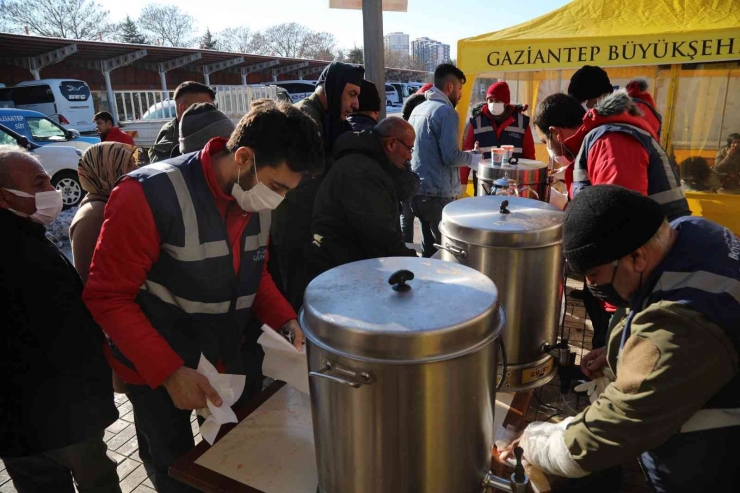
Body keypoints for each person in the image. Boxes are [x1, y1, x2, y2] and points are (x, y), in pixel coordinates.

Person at [83, 101, 324, 493]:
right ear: (243, 157)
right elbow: (107, 297)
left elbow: (253, 270)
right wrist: (169, 373)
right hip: (155, 368)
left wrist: (285, 318)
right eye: (278, 187)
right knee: (175, 468)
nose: (278, 199)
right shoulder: (147, 194)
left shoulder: (253, 194)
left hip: (220, 355)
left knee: (230, 460)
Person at [502, 184, 740, 493]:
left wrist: (537, 445)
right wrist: (617, 350)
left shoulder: (685, 324)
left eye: (594, 276)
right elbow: (647, 301)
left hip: (713, 464)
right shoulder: (684, 233)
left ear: (637, 257)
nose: (593, 288)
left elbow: (618, 425)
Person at [0, 146, 121, 493]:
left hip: (23, 425)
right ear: (4, 196)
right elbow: (65, 335)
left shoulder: (26, 235)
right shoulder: (21, 253)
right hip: (62, 420)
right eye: (39, 182)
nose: (50, 190)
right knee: (98, 482)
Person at [270, 61, 364, 310]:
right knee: (296, 303)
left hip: (308, 228)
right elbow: (303, 182)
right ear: (332, 89)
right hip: (293, 231)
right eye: (351, 94)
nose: (356, 104)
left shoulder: (326, 118)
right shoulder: (304, 119)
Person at [533, 91, 689, 221]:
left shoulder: (610, 141)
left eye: (545, 141)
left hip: (658, 251)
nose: (548, 148)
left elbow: (616, 219)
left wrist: (563, 206)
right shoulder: (598, 141)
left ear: (555, 133)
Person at [306, 117, 419, 279]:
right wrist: (418, 267)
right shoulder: (362, 173)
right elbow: (381, 238)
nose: (409, 157)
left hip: (348, 263)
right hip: (337, 269)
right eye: (409, 149)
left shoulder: (371, 164)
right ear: (391, 144)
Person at [408, 63, 481, 258]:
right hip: (438, 194)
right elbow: (450, 157)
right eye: (459, 89)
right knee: (447, 254)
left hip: (417, 192)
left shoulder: (419, 109)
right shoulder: (446, 112)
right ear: (449, 87)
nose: (460, 95)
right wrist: (473, 159)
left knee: (428, 252)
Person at [71, 142, 138, 284]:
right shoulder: (93, 216)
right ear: (107, 170)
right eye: (129, 165)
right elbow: (92, 280)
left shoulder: (110, 202)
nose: (137, 169)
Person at [461, 81, 536, 195]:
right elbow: (467, 153)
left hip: (513, 183)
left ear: (506, 102)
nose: (493, 104)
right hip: (484, 182)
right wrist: (463, 181)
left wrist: (532, 181)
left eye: (497, 101)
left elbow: (529, 155)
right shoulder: (476, 122)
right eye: (490, 100)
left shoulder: (521, 122)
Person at [568, 65, 663, 137]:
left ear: (599, 95)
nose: (586, 108)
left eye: (585, 101)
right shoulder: (615, 114)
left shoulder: (633, 111)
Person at [148, 81, 216, 163]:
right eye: (204, 108)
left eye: (212, 108)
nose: (212, 113)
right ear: (183, 109)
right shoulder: (170, 138)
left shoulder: (213, 127)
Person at [399, 83, 432, 243]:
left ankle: (406, 248)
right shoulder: (428, 113)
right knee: (416, 216)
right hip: (416, 174)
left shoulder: (408, 115)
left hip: (407, 172)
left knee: (407, 215)